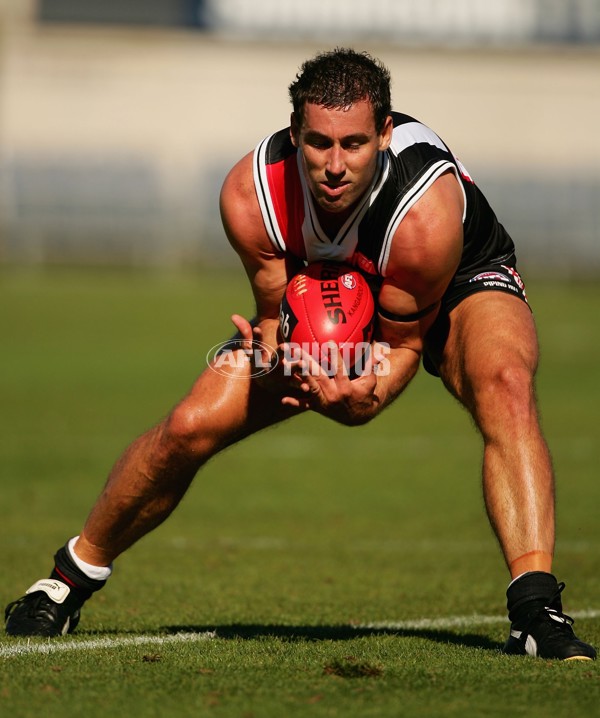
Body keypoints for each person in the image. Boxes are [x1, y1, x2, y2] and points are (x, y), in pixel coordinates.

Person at [5, 48, 595, 661]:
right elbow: (271, 316)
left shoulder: (425, 212)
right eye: (318, 144)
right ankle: (68, 579)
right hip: (322, 291)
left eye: (355, 144)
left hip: (449, 284)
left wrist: (357, 399)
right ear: (295, 134)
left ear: (386, 134)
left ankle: (535, 610)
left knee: (504, 382)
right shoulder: (250, 193)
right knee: (188, 425)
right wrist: (273, 359)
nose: (334, 165)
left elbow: (401, 346)